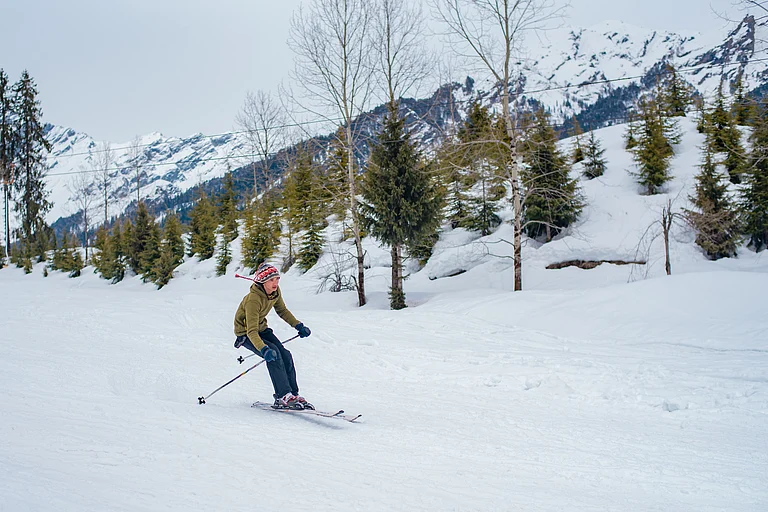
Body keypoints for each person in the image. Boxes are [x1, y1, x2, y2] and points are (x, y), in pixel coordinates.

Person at [233, 262, 313, 410]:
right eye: (271, 280)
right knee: (273, 354)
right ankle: (282, 395)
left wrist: (298, 326)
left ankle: (292, 395)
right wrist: (264, 349)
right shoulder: (253, 299)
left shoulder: (275, 292)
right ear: (263, 281)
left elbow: (282, 310)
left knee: (286, 354)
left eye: (277, 279)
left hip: (261, 328)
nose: (275, 282)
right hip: (246, 333)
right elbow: (251, 331)